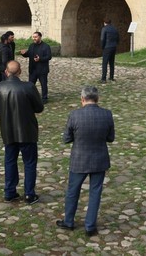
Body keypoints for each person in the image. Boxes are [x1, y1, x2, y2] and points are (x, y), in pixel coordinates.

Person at [56, 85, 115, 237]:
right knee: (95, 193)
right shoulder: (107, 114)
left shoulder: (74, 115)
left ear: (82, 99)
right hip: (99, 159)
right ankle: (90, 226)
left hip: (79, 159)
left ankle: (69, 221)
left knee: (72, 191)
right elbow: (110, 138)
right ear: (97, 99)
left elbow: (66, 138)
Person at [0, 60, 44, 204]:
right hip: (27, 131)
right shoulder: (29, 87)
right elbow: (39, 107)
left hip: (8, 131)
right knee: (30, 163)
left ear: (6, 72)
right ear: (20, 71)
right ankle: (29, 194)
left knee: (10, 161)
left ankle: (9, 192)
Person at [19, 31, 52, 103]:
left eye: (36, 37)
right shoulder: (32, 46)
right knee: (30, 85)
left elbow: (49, 57)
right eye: (33, 37)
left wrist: (40, 59)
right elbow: (29, 54)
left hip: (42, 70)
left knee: (43, 84)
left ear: (40, 37)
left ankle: (44, 98)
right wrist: (23, 54)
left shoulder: (46, 46)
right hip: (33, 69)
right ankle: (29, 97)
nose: (34, 38)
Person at [100, 18, 119, 83]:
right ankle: (111, 77)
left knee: (105, 63)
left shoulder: (104, 29)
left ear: (105, 23)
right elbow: (118, 38)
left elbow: (102, 39)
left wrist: (102, 46)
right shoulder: (114, 29)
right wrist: (116, 44)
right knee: (111, 62)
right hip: (113, 47)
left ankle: (103, 78)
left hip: (107, 47)